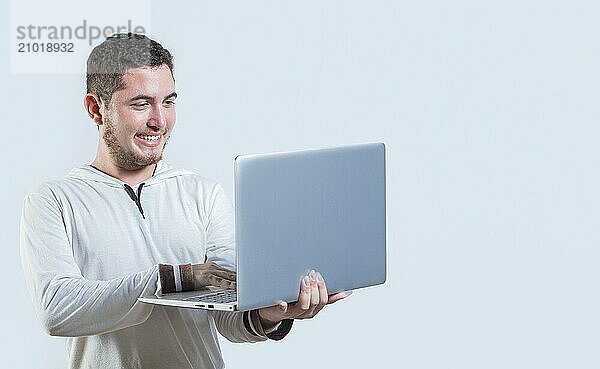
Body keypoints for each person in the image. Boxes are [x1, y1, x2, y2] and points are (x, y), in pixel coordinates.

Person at [20, 33, 348, 369]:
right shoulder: (53, 201)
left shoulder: (203, 195)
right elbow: (57, 309)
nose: (159, 121)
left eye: (168, 101)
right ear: (95, 109)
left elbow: (229, 316)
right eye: (140, 103)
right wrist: (179, 277)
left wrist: (272, 312)